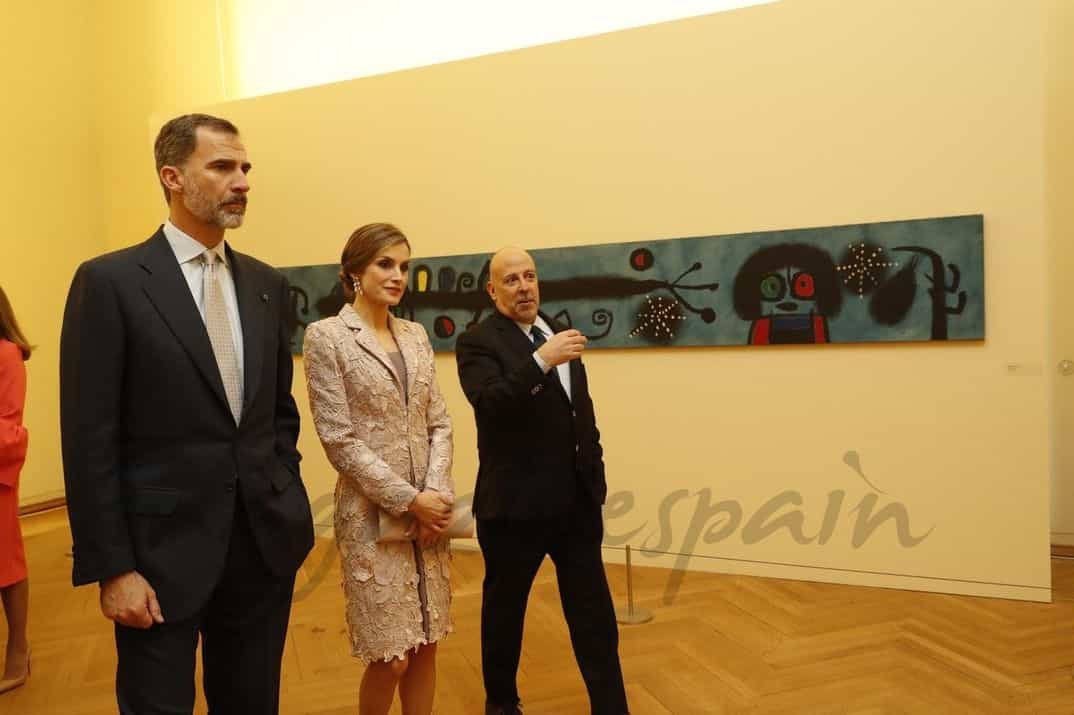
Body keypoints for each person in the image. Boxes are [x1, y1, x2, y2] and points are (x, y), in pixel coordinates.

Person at [59, 113, 314, 714]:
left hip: (261, 549)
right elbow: (88, 438)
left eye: (246, 167)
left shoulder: (267, 285)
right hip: (158, 558)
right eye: (222, 166)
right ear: (172, 176)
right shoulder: (111, 282)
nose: (243, 180)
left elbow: (277, 414)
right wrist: (113, 566)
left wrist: (287, 493)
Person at [455, 247, 629, 715]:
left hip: (575, 504)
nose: (524, 286)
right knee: (505, 616)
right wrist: (541, 361)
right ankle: (502, 705)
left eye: (529, 276)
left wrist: (595, 470)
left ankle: (612, 707)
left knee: (594, 616)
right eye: (511, 280)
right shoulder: (478, 341)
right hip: (515, 509)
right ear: (492, 291)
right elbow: (490, 403)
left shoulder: (554, 330)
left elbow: (579, 412)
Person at [303, 222, 454, 715]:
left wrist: (432, 493)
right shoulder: (327, 337)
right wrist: (408, 499)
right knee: (390, 656)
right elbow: (338, 439)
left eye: (405, 266)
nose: (397, 276)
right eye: (385, 264)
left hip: (429, 515)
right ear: (354, 272)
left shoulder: (415, 334)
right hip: (371, 515)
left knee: (428, 642)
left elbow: (440, 422)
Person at [0, 285, 31, 695]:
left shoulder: (7, 354)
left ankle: (18, 647)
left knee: (6, 567)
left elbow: (10, 426)